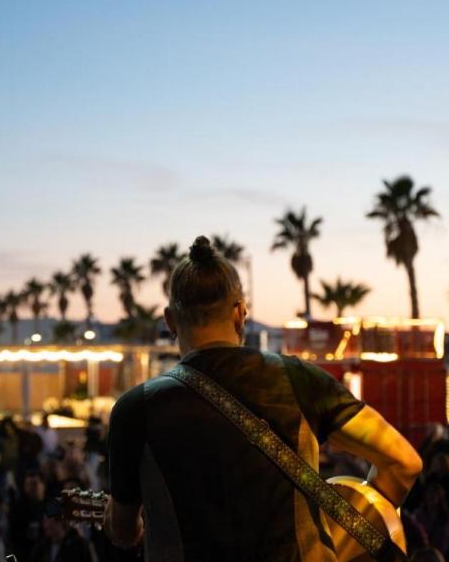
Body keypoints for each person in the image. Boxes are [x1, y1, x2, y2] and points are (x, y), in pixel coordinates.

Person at [104, 236, 422, 561]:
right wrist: (349, 533)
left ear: (170, 320)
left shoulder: (135, 408)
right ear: (240, 313)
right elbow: (404, 462)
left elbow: (124, 533)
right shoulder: (300, 379)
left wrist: (121, 523)